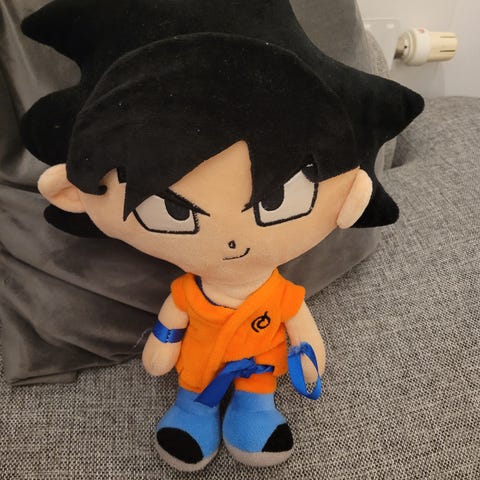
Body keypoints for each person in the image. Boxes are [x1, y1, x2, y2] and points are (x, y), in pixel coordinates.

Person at [33, 34, 423, 471]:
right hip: (199, 373)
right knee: (193, 397)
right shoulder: (188, 293)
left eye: (274, 201)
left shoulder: (280, 295)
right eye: (175, 212)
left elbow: (302, 332)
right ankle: (192, 414)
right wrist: (162, 348)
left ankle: (253, 413)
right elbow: (170, 328)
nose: (232, 241)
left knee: (256, 399)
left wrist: (308, 357)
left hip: (259, 372)